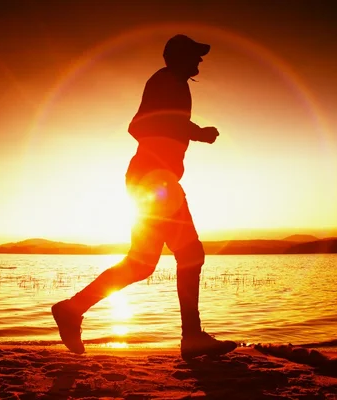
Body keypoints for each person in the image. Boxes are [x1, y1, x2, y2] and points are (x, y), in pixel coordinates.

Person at [52, 34, 237, 360]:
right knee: (191, 254)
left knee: (141, 264)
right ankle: (192, 337)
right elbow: (138, 126)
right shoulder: (165, 81)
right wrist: (197, 134)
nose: (200, 61)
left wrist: (194, 133)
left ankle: (72, 309)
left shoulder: (177, 84)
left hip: (151, 180)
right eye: (195, 55)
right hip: (154, 181)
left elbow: (166, 123)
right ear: (180, 57)